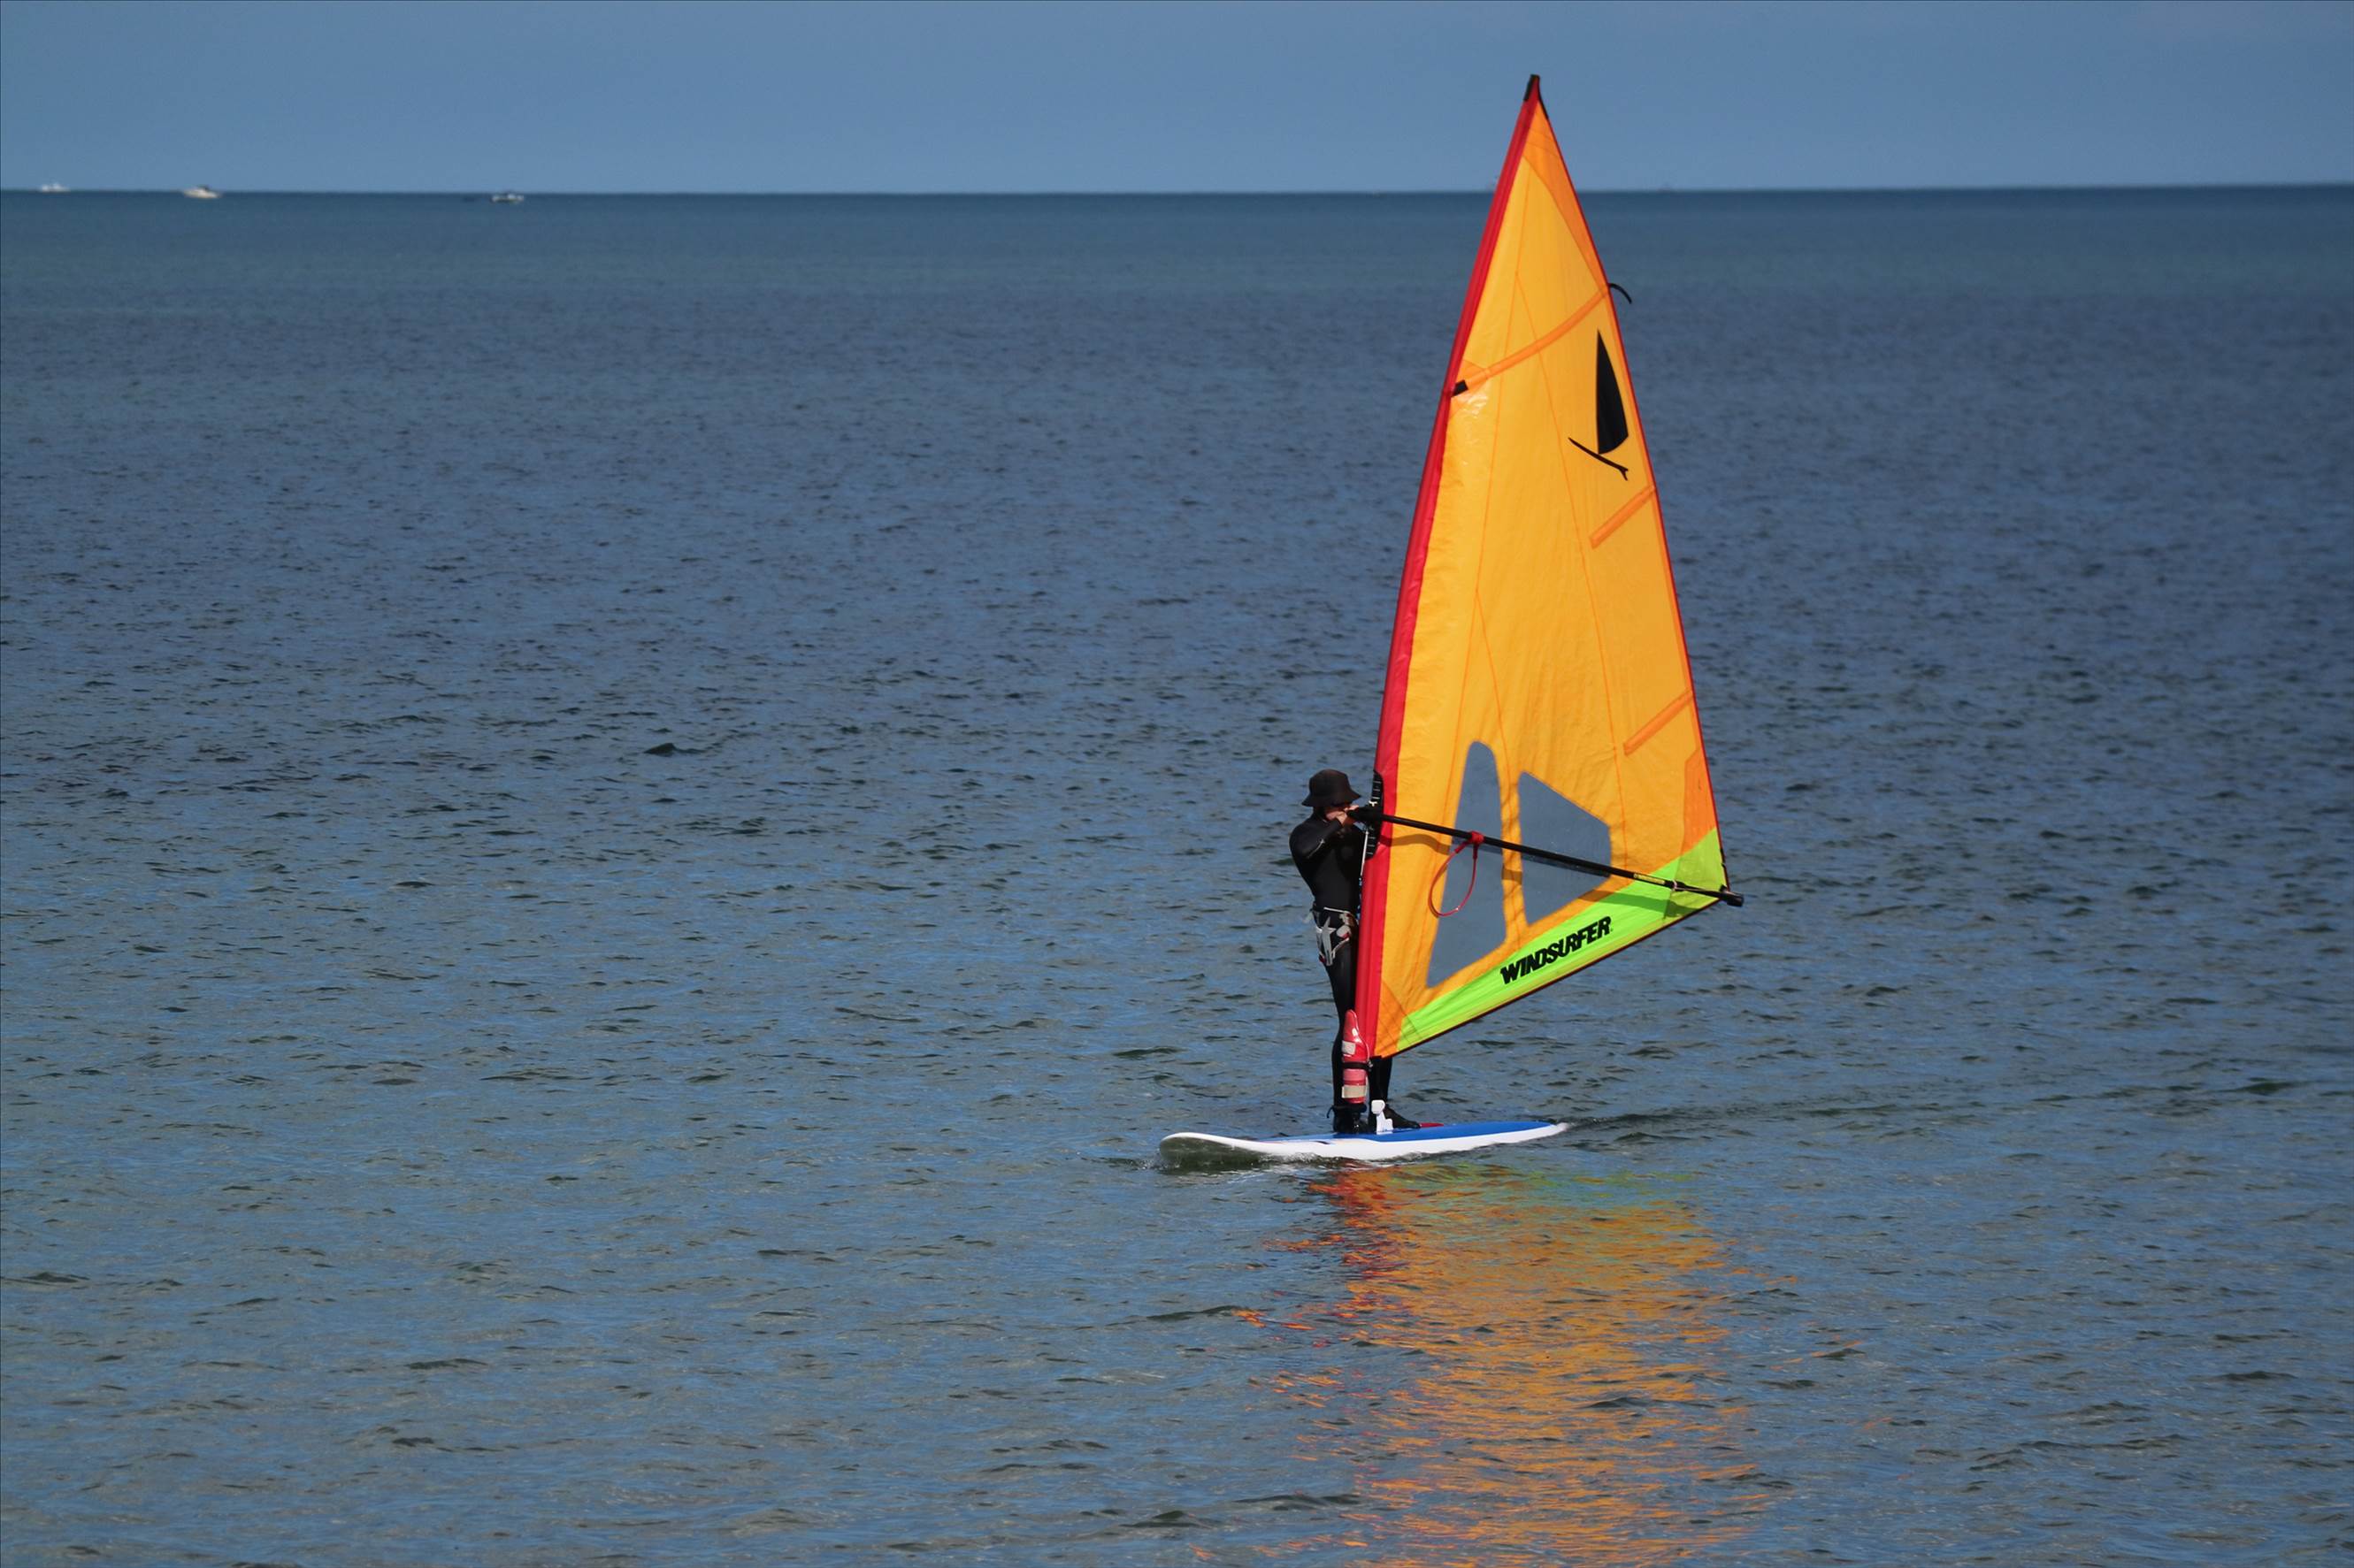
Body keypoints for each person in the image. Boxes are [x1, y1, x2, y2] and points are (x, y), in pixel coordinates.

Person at [1290, 769, 1418, 1135]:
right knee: (1352, 1019)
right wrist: (1342, 822)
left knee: (1382, 1018)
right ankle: (1345, 1111)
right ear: (1322, 806)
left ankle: (1380, 1107)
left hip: (1369, 929)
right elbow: (1306, 850)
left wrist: (1376, 823)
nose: (1347, 808)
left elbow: (1385, 859)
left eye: (1349, 803)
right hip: (1336, 930)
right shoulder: (1305, 833)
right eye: (1340, 804)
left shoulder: (1353, 835)